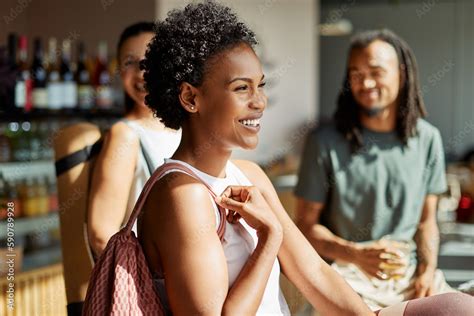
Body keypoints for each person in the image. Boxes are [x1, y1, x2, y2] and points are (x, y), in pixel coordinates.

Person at [137, 4, 473, 315]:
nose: (260, 102)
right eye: (242, 88)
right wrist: (269, 241)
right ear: (190, 97)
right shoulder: (184, 196)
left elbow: (314, 273)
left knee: (457, 307)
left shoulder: (249, 175)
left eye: (260, 86)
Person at [294, 29, 455, 309]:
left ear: (401, 74)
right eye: (355, 74)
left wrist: (427, 272)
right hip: (347, 277)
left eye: (376, 71)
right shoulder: (324, 142)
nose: (365, 82)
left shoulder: (428, 139)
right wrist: (356, 254)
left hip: (408, 276)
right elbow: (305, 227)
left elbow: (427, 221)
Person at [87, 22, 181, 257]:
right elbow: (101, 233)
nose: (142, 72)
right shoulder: (126, 135)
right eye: (130, 62)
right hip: (155, 286)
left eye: (150, 60)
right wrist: (141, 286)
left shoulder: (187, 129)